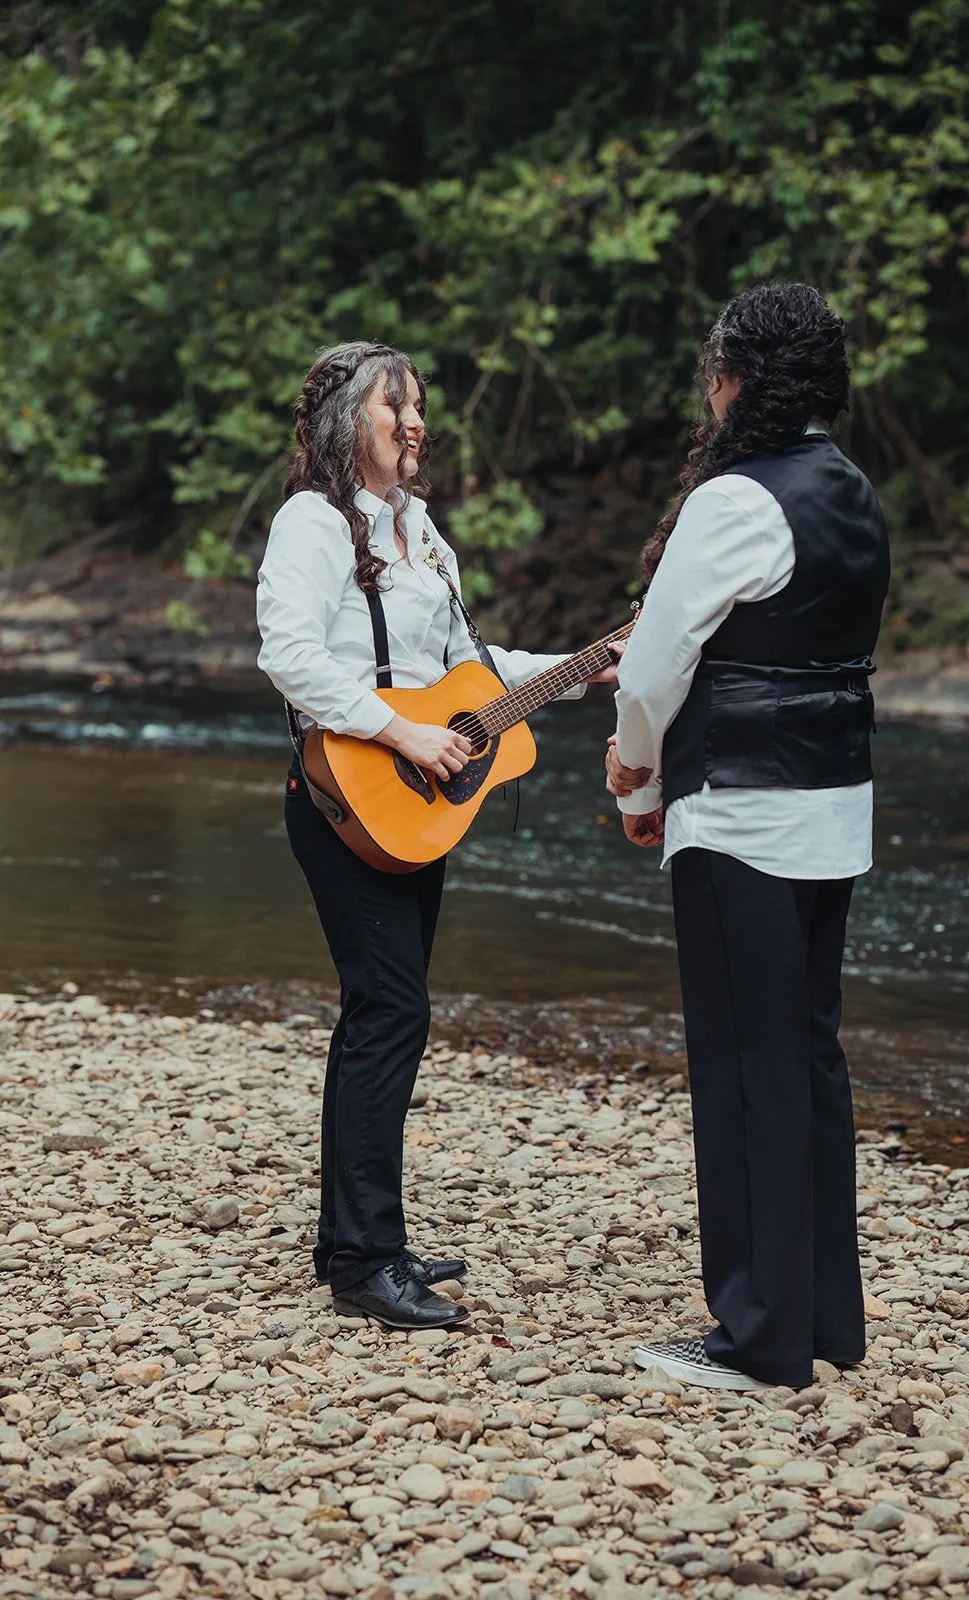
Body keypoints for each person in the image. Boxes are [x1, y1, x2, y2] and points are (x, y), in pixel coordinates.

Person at [258, 340, 618, 1331]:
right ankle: (366, 1261)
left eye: (419, 408)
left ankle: (357, 1242)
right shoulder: (311, 524)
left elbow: (472, 668)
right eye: (396, 407)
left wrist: (592, 662)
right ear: (346, 423)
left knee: (385, 1014)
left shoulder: (421, 532)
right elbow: (287, 653)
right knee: (389, 1014)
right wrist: (400, 729)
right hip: (346, 794)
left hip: (416, 800)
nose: (416, 423)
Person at [607, 283, 890, 1391]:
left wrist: (635, 775)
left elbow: (649, 671)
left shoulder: (733, 500)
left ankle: (756, 1337)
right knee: (806, 1062)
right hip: (831, 808)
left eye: (715, 372)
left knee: (741, 1069)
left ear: (738, 381)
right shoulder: (853, 492)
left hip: (737, 809)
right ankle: (823, 1318)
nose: (709, 391)